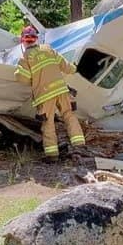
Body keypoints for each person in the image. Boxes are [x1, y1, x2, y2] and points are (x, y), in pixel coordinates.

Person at [14, 25, 85, 162]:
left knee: (48, 122)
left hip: (45, 95)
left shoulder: (26, 57)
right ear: (36, 39)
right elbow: (67, 67)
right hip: (62, 90)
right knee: (69, 115)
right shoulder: (48, 49)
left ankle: (52, 155)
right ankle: (79, 145)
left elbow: (22, 78)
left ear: (23, 41)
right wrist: (75, 68)